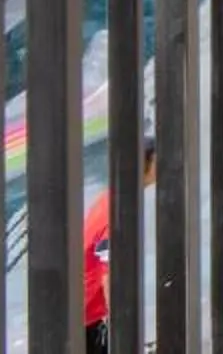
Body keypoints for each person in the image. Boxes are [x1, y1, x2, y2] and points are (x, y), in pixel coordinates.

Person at [83, 139, 152, 353]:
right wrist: (125, 334)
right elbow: (109, 276)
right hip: (82, 316)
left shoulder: (110, 198)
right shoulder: (116, 212)